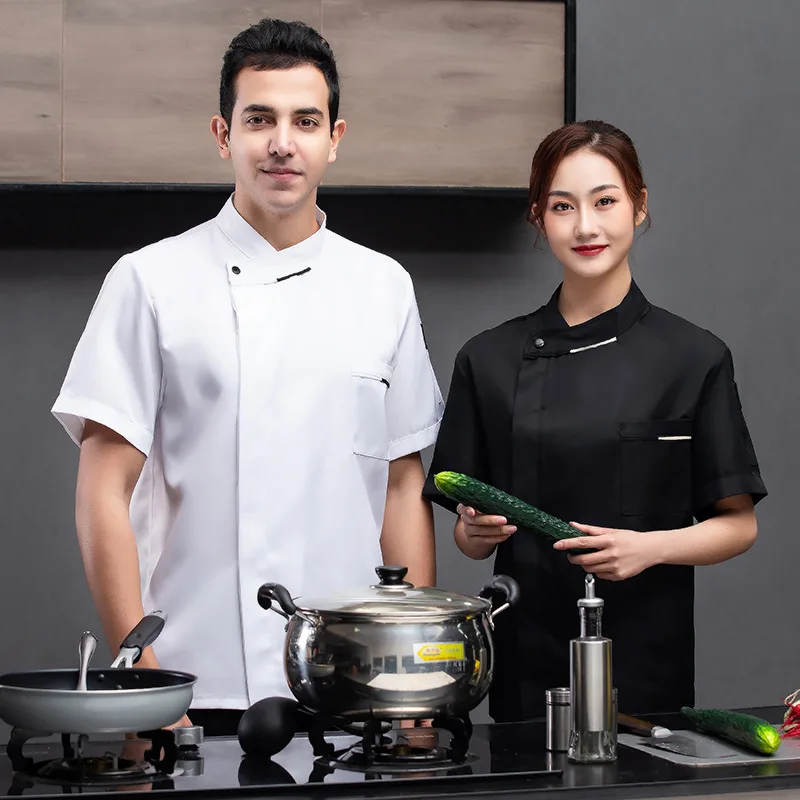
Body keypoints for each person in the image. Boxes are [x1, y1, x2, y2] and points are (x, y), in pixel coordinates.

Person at [52, 18, 443, 735]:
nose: (281, 143)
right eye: (259, 119)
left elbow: (400, 484)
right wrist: (140, 670)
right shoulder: (149, 279)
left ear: (335, 137)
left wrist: (412, 671)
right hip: (191, 684)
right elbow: (103, 487)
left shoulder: (383, 285)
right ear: (223, 134)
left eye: (305, 120)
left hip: (354, 684)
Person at [423, 120, 766, 722]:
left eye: (605, 201)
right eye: (562, 206)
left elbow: (737, 526)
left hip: (643, 661)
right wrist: (473, 534)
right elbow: (467, 536)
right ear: (539, 217)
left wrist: (649, 548)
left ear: (638, 207)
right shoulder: (487, 359)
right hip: (524, 661)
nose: (585, 226)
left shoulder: (694, 357)